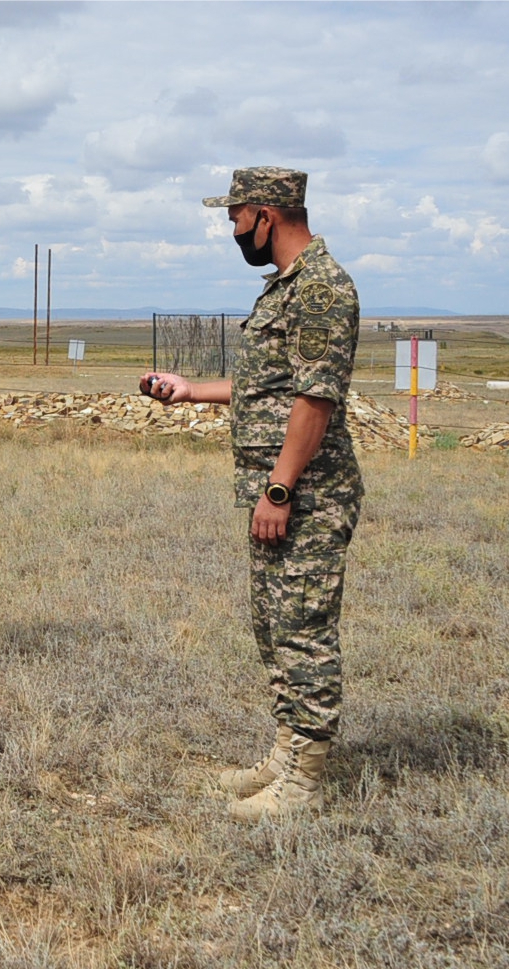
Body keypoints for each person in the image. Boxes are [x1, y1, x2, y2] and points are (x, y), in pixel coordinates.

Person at [141, 168, 363, 821]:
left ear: (265, 214)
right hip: (283, 492)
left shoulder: (321, 289)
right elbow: (270, 389)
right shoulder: (284, 290)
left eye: (235, 218)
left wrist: (279, 487)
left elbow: (315, 399)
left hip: (308, 493)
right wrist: (191, 389)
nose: (232, 230)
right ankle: (287, 749)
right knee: (272, 626)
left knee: (303, 628)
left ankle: (305, 780)